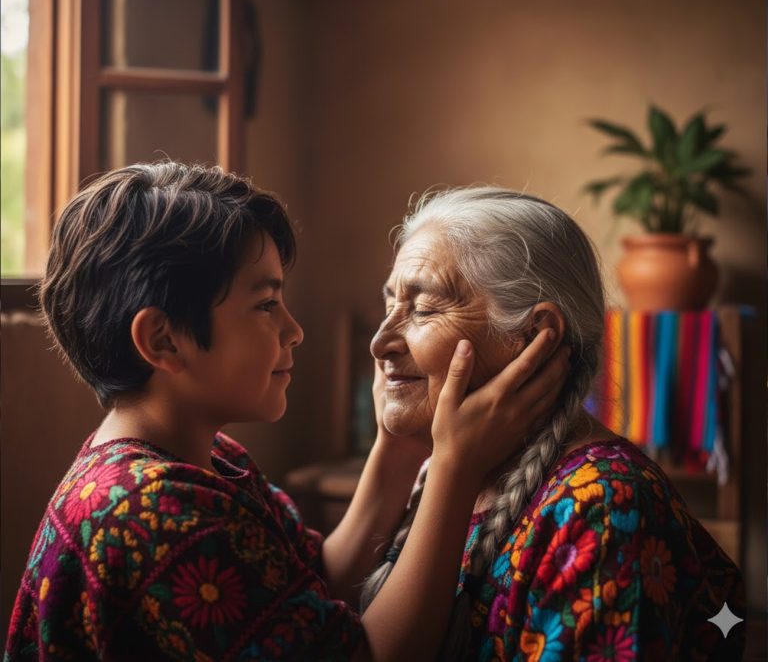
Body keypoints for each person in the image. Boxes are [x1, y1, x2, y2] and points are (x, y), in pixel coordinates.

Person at [3, 163, 571, 662]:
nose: (294, 330)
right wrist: (454, 466)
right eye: (266, 304)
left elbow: (318, 583)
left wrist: (399, 445)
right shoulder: (147, 510)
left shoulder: (207, 460)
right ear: (164, 340)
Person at [362, 186, 745, 661]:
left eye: (423, 308)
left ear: (531, 337)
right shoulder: (443, 470)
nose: (381, 342)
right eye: (390, 304)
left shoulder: (602, 508)